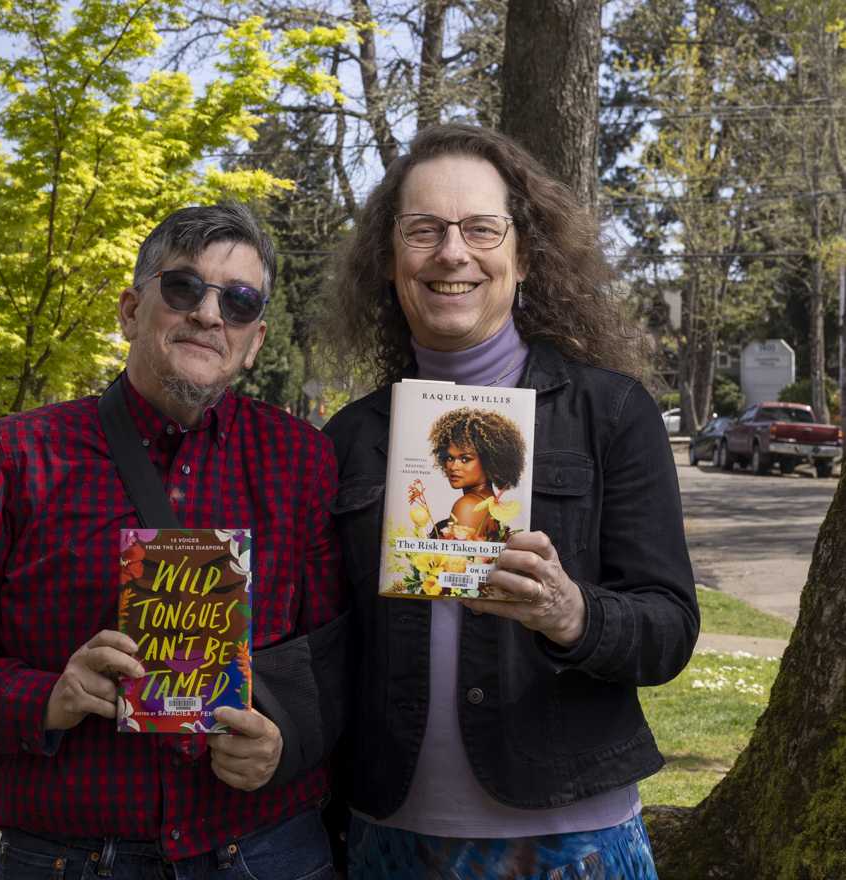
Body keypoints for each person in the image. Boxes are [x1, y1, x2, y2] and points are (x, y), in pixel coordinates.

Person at [0, 203, 343, 880]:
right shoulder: (19, 456)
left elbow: (338, 654)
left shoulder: (302, 459)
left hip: (261, 848)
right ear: (132, 310)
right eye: (184, 288)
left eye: (239, 302)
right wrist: (47, 696)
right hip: (72, 857)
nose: (209, 315)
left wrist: (288, 741)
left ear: (255, 340)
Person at [322, 123, 698, 878]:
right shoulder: (351, 437)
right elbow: (327, 647)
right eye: (422, 229)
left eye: (480, 228)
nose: (452, 252)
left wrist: (572, 614)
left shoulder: (611, 413)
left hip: (572, 842)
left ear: (523, 255)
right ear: (390, 260)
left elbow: (670, 627)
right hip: (386, 839)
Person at [427, 407, 526, 542]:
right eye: (450, 458)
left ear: (488, 461)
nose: (454, 467)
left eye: (465, 459)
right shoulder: (491, 504)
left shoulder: (468, 506)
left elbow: (456, 562)